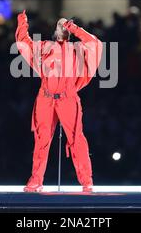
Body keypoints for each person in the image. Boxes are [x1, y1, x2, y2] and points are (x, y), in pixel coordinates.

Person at [15, 10, 103, 192]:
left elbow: (95, 44)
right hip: (45, 98)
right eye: (59, 25)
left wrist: (75, 28)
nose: (62, 27)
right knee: (42, 140)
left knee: (76, 139)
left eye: (65, 25)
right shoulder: (45, 47)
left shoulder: (77, 50)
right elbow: (24, 44)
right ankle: (36, 180)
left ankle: (87, 181)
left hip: (67, 98)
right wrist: (22, 22)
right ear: (55, 31)